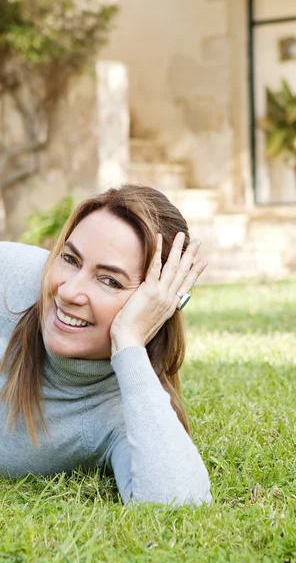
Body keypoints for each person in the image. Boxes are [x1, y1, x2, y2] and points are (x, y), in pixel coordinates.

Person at [0, 184, 211, 506]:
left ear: (155, 304)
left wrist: (128, 341)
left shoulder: (123, 413)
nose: (69, 292)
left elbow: (177, 504)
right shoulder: (13, 273)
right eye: (70, 259)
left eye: (110, 280)